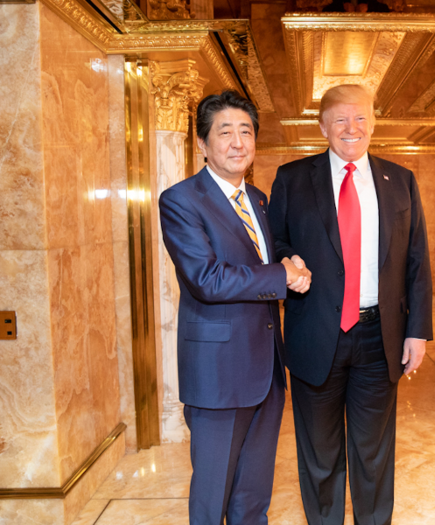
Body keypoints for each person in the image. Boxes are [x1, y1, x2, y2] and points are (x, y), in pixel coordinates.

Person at [268, 84, 432, 525]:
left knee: (373, 451)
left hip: (381, 337)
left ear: (374, 122)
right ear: (322, 126)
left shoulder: (400, 180)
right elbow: (274, 243)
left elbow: (416, 259)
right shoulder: (292, 178)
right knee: (319, 453)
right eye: (340, 119)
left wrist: (417, 331)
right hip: (315, 333)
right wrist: (286, 259)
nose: (351, 128)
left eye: (360, 118)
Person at [159, 90, 311, 525]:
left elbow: (260, 257)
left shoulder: (258, 200)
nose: (238, 142)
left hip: (266, 372)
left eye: (246, 131)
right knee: (211, 497)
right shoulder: (181, 200)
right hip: (218, 373)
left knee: (253, 494)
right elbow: (207, 279)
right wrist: (282, 276)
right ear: (203, 145)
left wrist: (289, 262)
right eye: (225, 132)